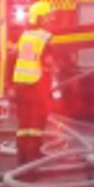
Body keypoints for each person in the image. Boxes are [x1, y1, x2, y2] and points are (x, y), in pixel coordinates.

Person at [11, 18, 55, 167]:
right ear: (42, 19)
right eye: (49, 17)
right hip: (36, 85)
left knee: (24, 123)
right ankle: (32, 160)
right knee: (36, 123)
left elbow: (14, 54)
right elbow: (48, 62)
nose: (51, 20)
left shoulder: (25, 35)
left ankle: (22, 158)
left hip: (21, 84)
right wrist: (54, 70)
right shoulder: (45, 37)